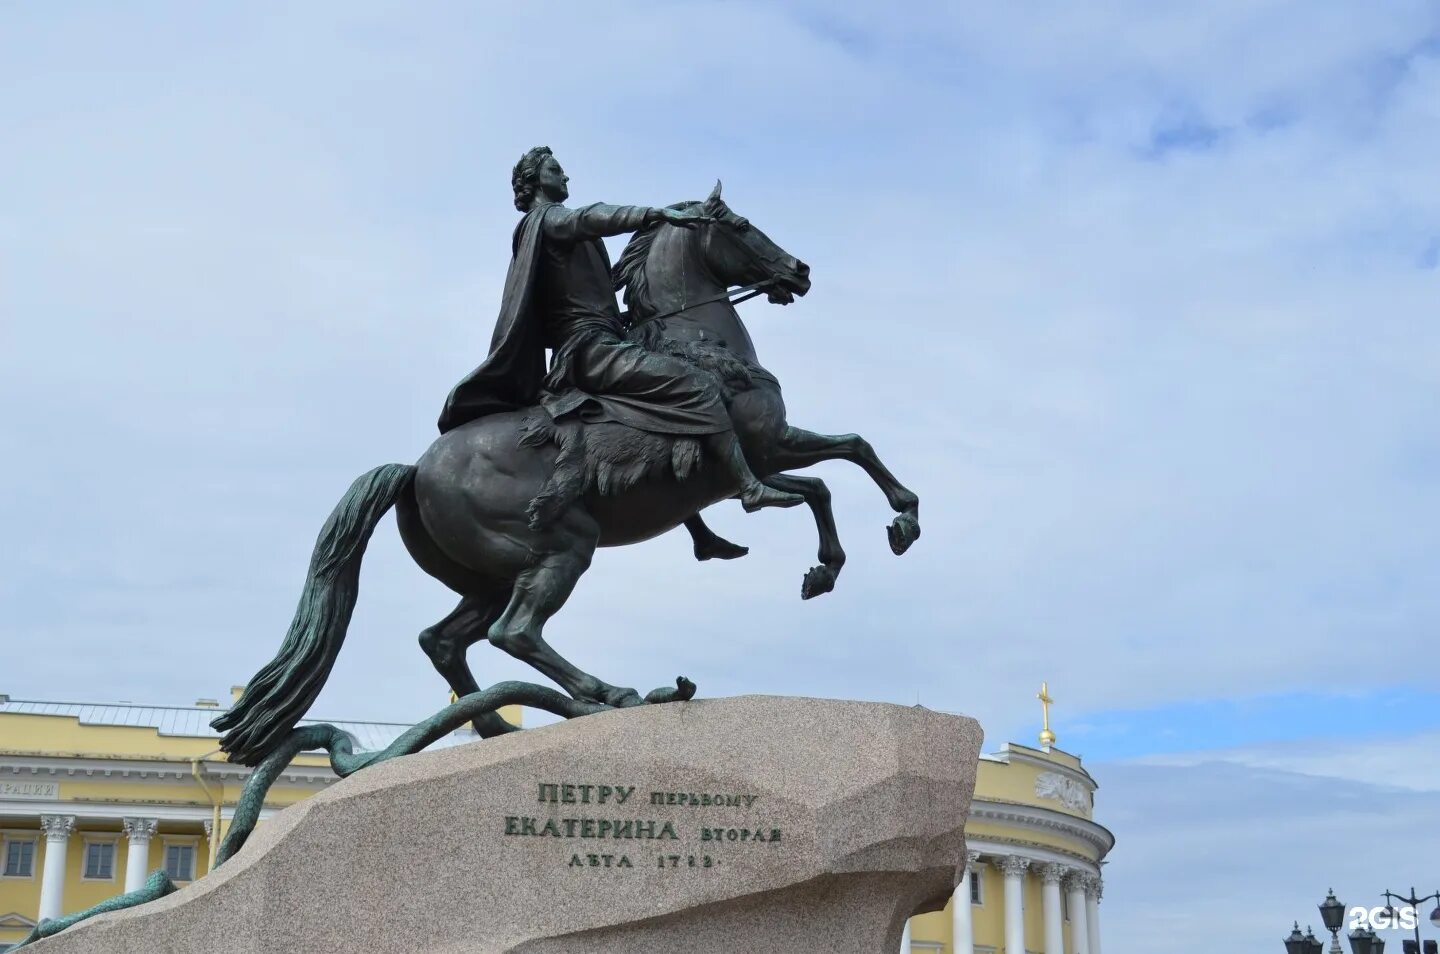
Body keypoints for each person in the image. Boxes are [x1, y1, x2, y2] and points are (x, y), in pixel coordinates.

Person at [438, 145, 800, 512]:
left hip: (600, 340)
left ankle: (696, 524)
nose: (565, 176)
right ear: (533, 182)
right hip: (590, 350)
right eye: (556, 170)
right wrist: (651, 214)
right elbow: (590, 218)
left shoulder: (556, 232)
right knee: (700, 385)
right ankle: (748, 487)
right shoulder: (547, 220)